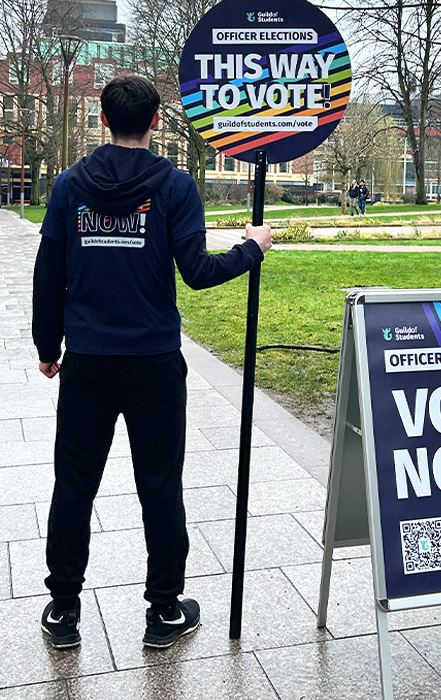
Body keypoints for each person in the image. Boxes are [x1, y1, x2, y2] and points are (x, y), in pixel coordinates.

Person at [32, 75, 272, 650]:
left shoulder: (69, 186)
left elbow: (48, 274)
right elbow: (197, 272)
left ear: (102, 118)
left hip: (87, 362)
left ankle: (63, 611)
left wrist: (49, 348)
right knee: (160, 486)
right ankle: (163, 612)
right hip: (153, 364)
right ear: (157, 122)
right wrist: (252, 247)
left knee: (74, 485)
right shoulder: (175, 186)